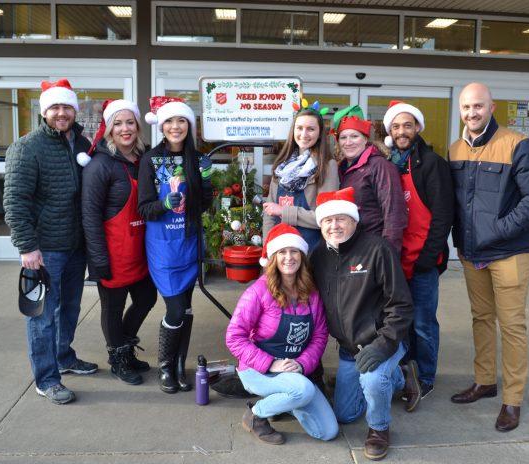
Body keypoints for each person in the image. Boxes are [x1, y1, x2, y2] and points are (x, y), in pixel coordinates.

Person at [448, 83, 529, 432]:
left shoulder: (517, 144)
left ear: (492, 107)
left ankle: (512, 399)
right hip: (472, 253)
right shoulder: (455, 149)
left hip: (509, 252)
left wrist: (501, 228)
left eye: (478, 106)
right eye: (466, 107)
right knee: (480, 318)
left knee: (511, 326)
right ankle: (484, 382)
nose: (472, 113)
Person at [3, 78, 98, 405]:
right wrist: (27, 247)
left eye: (66, 107)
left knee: (70, 308)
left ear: (74, 109)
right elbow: (15, 200)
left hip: (75, 247)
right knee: (42, 316)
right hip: (44, 249)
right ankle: (47, 379)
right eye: (55, 108)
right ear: (45, 112)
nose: (61, 113)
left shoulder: (83, 144)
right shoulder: (27, 147)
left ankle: (63, 356)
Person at [309, 187, 419, 461]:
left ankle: (379, 429)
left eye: (341, 219)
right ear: (321, 225)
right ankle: (402, 377)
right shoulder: (318, 257)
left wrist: (383, 345)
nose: (334, 225)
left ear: (354, 221)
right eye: (327, 220)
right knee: (345, 415)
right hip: (349, 348)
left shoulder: (377, 250)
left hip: (383, 341)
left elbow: (402, 306)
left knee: (372, 380)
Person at [225, 223, 338, 445]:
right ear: (273, 258)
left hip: (294, 372)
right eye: (282, 252)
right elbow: (234, 337)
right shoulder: (258, 291)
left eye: (294, 251)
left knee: (328, 431)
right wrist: (270, 364)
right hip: (258, 370)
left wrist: (303, 364)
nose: (289, 257)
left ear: (302, 256)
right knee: (303, 389)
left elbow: (319, 336)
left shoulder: (312, 293)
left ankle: (288, 400)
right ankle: (257, 414)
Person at [138, 96, 213, 394]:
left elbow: (203, 205)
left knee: (188, 308)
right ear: (162, 126)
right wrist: (162, 203)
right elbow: (143, 208)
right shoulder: (150, 159)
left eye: (181, 120)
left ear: (189, 125)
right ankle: (165, 366)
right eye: (169, 121)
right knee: (176, 309)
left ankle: (181, 365)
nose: (175, 126)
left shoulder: (197, 160)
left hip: (190, 242)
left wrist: (206, 182)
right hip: (164, 247)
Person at [81, 99, 157, 386]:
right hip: (113, 252)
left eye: (130, 122)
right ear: (109, 129)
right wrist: (98, 260)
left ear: (137, 126)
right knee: (112, 308)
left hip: (141, 249)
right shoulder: (100, 165)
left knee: (147, 298)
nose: (125, 128)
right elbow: (89, 215)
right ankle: (118, 358)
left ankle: (124, 344)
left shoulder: (144, 159)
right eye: (118, 123)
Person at [383, 100, 454, 401]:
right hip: (396, 261)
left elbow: (443, 215)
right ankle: (404, 373)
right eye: (396, 126)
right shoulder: (388, 164)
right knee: (402, 324)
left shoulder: (432, 163)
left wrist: (428, 257)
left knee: (424, 324)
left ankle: (425, 377)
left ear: (418, 128)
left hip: (423, 260)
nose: (402, 131)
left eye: (407, 125)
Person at [262, 100, 338, 250]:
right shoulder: (281, 166)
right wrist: (267, 248)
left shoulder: (327, 166)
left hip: (311, 249)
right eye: (300, 128)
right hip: (280, 248)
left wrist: (284, 211)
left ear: (319, 133)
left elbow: (325, 217)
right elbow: (269, 214)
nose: (304, 134)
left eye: (310, 129)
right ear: (293, 130)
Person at [332, 105, 406, 252]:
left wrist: (387, 255)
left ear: (365, 138)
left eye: (354, 136)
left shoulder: (380, 166)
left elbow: (394, 213)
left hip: (374, 248)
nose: (348, 142)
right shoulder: (340, 168)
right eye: (343, 137)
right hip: (350, 249)